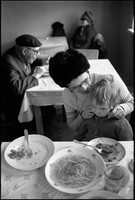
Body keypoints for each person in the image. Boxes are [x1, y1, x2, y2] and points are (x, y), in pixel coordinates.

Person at [49, 49, 134, 133]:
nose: (84, 88)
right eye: (76, 87)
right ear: (67, 87)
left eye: (85, 80)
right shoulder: (67, 95)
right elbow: (72, 126)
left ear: (88, 71)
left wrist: (123, 108)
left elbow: (132, 102)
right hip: (90, 135)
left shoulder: (111, 81)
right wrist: (82, 117)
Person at [1, 34, 47, 139]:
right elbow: (17, 88)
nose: (37, 54)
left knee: (48, 109)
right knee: (45, 111)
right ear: (25, 51)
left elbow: (33, 61)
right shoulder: (9, 61)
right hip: (15, 106)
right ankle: (34, 136)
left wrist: (45, 62)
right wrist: (35, 75)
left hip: (23, 99)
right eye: (36, 52)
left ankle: (40, 131)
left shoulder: (21, 54)